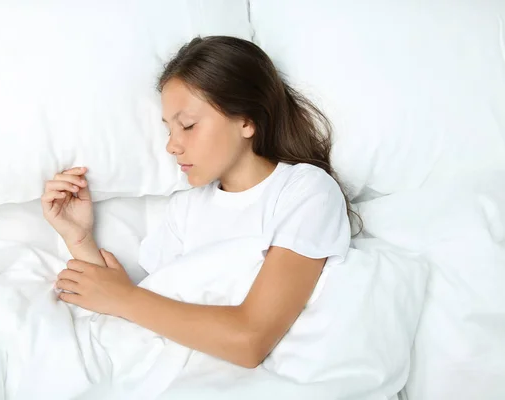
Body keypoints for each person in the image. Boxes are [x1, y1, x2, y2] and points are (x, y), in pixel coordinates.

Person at [41, 36, 356, 369]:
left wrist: (124, 296)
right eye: (169, 130)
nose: (172, 147)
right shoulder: (185, 210)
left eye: (188, 125)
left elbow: (251, 340)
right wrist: (78, 237)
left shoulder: (303, 190)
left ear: (247, 121)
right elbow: (144, 314)